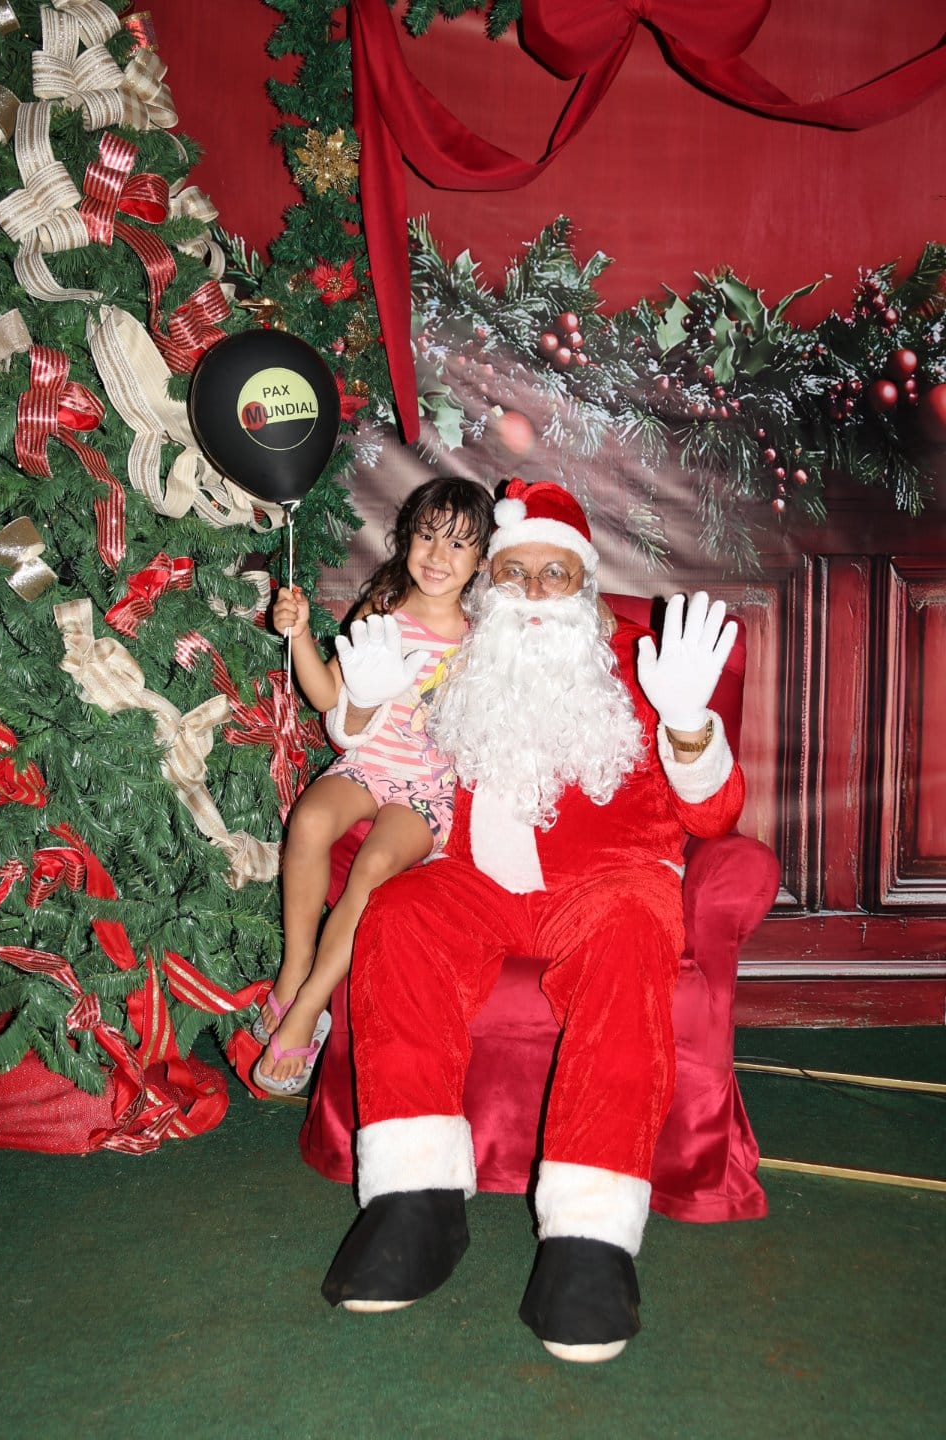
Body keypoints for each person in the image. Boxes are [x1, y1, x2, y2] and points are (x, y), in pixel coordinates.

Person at [320, 478, 744, 1363]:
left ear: (586, 583)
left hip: (609, 886)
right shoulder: (463, 656)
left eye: (558, 573)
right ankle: (415, 1202)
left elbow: (714, 818)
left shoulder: (639, 665)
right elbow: (377, 746)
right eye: (516, 574)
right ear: (490, 584)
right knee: (399, 914)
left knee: (632, 935)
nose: (536, 592)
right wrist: (358, 702)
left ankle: (590, 1241)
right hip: (479, 880)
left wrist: (690, 723)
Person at [251, 476, 494, 1095]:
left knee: (376, 862)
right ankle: (295, 969)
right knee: (309, 820)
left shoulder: (481, 638)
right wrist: (298, 634)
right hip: (366, 765)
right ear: (408, 537)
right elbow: (325, 696)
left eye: (459, 545)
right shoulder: (381, 612)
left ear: (481, 561)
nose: (437, 556)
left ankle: (310, 1005)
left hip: (427, 788)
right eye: (428, 536)